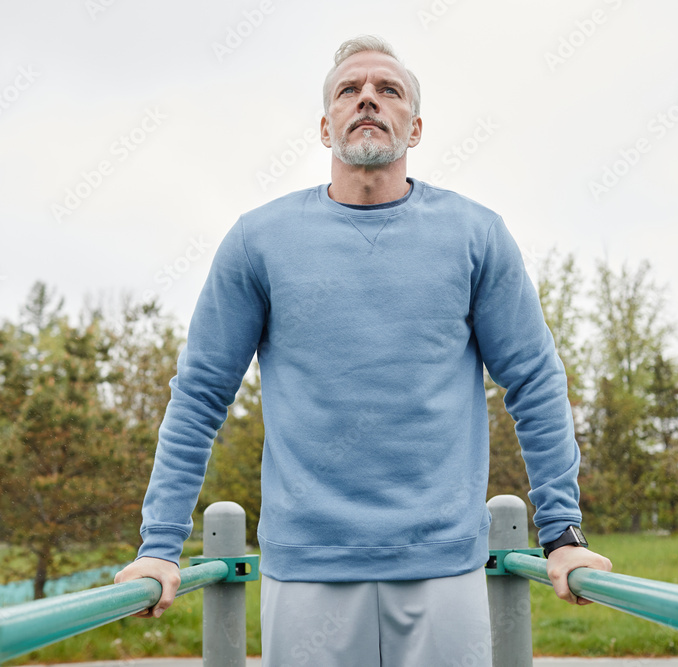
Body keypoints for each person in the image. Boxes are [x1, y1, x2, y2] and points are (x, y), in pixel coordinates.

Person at [115, 35, 612, 666]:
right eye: (349, 90)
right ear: (326, 128)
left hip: (444, 568)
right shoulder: (258, 240)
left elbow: (536, 384)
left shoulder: (475, 234)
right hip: (306, 572)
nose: (368, 99)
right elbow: (198, 399)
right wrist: (159, 545)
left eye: (389, 90)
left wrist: (562, 533)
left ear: (417, 125)